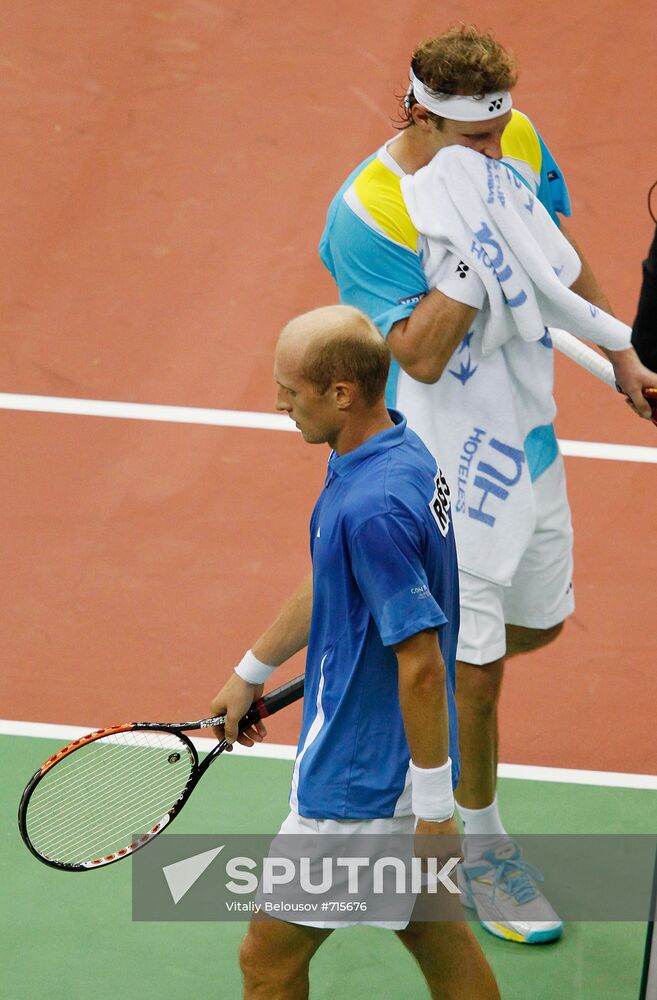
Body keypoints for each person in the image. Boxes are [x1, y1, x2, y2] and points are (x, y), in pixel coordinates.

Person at [319, 24, 657, 945]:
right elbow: (418, 359)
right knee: (476, 673)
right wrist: (468, 250)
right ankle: (479, 848)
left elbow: (556, 258)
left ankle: (404, 668)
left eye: (501, 132)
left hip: (527, 439)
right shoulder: (372, 212)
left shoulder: (517, 140)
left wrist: (621, 352)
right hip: (443, 470)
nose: (497, 153)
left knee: (535, 623)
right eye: (475, 142)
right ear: (420, 117)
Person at [210, 304, 500, 1000]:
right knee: (434, 936)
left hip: (360, 785)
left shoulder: (370, 507)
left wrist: (434, 811)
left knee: (267, 959)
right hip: (391, 769)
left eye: (290, 389)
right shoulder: (391, 451)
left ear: (340, 392)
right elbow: (332, 577)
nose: (279, 403)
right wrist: (251, 671)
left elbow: (423, 666)